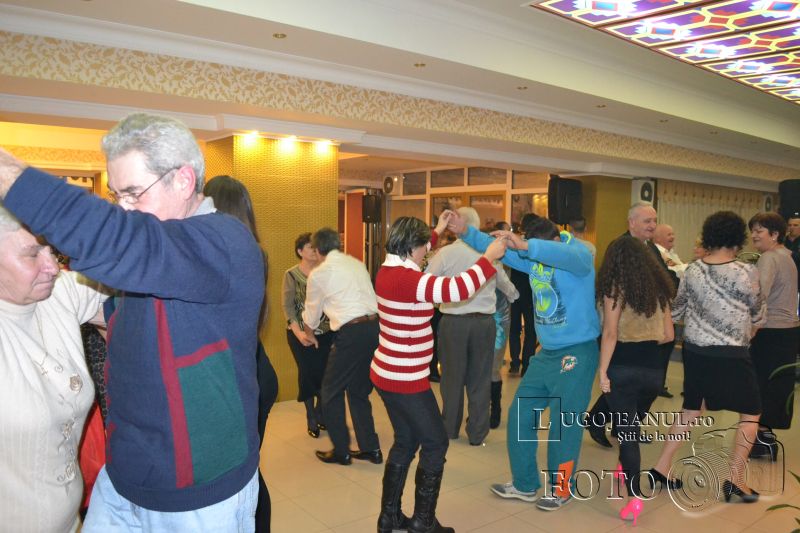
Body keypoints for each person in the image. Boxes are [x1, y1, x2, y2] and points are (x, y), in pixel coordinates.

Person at [0, 113, 265, 531]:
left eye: (133, 193)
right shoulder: (150, 261)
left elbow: (120, 240)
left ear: (183, 180)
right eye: (116, 196)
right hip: (124, 478)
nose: (123, 208)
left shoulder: (225, 242)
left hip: (197, 495)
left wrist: (9, 174)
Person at [451, 215, 600, 511]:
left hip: (577, 352)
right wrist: (465, 231)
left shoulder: (580, 253)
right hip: (547, 353)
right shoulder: (533, 257)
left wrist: (527, 246)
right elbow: (497, 246)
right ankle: (525, 484)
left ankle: (561, 489)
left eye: (534, 247)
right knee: (520, 416)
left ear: (555, 239)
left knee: (563, 425)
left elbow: (562, 255)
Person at [372, 212, 506, 533]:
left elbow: (421, 250)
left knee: (406, 440)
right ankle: (423, 522)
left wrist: (438, 230)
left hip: (386, 373)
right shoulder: (410, 280)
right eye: (424, 248)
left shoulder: (388, 270)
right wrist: (488, 257)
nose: (427, 252)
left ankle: (389, 517)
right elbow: (457, 289)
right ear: (411, 248)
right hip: (405, 379)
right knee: (435, 443)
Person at [0, 206, 106, 532]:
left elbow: (138, 297)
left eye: (51, 249)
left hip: (70, 522)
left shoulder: (59, 294)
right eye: (33, 254)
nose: (53, 267)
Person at [650, 211, 765, 503]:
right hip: (732, 353)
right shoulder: (746, 272)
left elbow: (677, 310)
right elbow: (758, 314)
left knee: (691, 409)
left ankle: (661, 468)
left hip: (696, 352)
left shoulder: (693, 269)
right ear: (738, 238)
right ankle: (735, 479)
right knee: (751, 413)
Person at [204, 174, 279, 533]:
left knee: (241, 474)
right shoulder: (255, 253)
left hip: (238, 375)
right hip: (257, 369)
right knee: (249, 470)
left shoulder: (218, 258)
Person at [596, 236, 675, 525]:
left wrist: (602, 370)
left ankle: (634, 498)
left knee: (627, 435)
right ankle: (622, 469)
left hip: (622, 368)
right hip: (653, 372)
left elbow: (610, 333)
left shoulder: (615, 287)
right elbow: (668, 335)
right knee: (632, 426)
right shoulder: (659, 290)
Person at [587, 202, 678, 448]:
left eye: (654, 220)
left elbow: (662, 279)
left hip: (649, 330)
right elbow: (610, 286)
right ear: (632, 222)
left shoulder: (651, 248)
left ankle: (620, 426)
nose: (652, 225)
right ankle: (607, 423)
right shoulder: (621, 246)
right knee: (624, 382)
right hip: (622, 332)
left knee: (638, 385)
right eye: (647, 221)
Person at [426, 207, 514, 446]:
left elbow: (426, 280)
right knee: (481, 378)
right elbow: (506, 286)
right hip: (484, 323)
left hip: (453, 322)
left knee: (452, 379)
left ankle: (449, 429)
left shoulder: (445, 253)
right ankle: (477, 433)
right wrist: (514, 296)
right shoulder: (489, 253)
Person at [302, 227, 382, 466]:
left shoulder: (320, 273)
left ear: (318, 250)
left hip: (351, 332)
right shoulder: (356, 263)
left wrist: (309, 334)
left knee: (330, 391)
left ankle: (341, 451)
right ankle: (370, 448)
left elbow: (312, 312)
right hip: (374, 328)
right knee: (358, 390)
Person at [747, 213, 799, 458]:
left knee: (760, 386)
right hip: (788, 332)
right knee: (777, 387)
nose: (754, 235)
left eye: (760, 231)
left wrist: (750, 329)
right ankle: (767, 439)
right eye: (753, 230)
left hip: (770, 332)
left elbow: (759, 297)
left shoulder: (768, 258)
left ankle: (759, 441)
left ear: (775, 234)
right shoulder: (787, 256)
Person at [282, 232, 334, 437]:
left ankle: (321, 412)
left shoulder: (326, 272)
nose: (315, 250)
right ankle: (311, 415)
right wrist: (299, 333)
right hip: (300, 334)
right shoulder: (291, 275)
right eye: (310, 247)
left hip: (326, 333)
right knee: (307, 373)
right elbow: (288, 308)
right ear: (300, 251)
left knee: (326, 374)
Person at [508, 213, 538, 375]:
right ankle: (527, 365)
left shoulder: (515, 242)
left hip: (514, 291)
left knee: (514, 329)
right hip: (531, 294)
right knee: (530, 331)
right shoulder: (536, 246)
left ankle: (514, 363)